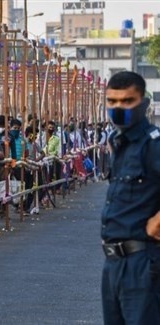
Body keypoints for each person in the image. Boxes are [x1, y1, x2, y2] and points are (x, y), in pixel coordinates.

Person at [101, 71, 160, 324]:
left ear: (143, 103)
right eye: (112, 101)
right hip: (113, 262)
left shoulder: (153, 143)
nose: (118, 107)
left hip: (142, 262)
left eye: (127, 101)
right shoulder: (120, 143)